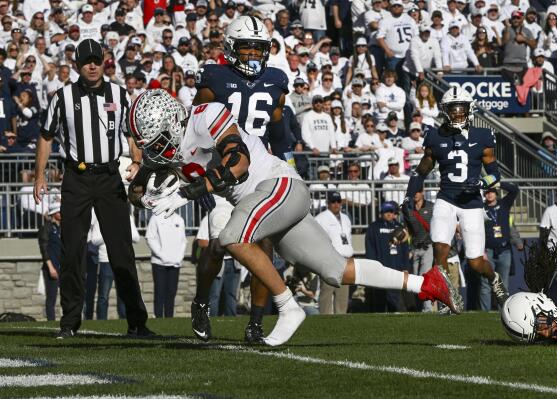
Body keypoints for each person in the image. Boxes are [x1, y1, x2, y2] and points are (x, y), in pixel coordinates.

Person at [128, 89, 460, 346]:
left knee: (230, 237)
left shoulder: (205, 116)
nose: (155, 150)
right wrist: (147, 197)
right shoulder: (165, 153)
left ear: (172, 120)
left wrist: (194, 188)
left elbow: (238, 163)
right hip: (273, 203)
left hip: (278, 185)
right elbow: (137, 188)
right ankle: (427, 283)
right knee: (335, 270)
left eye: (157, 140)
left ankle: (288, 306)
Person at [33, 39, 151, 339]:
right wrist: (39, 175)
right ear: (77, 65)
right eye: (86, 61)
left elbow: (131, 133)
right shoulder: (62, 97)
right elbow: (46, 136)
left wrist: (136, 161)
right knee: (72, 251)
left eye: (97, 60)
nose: (92, 65)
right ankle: (70, 323)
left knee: (121, 250)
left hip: (110, 177)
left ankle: (137, 322)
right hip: (77, 178)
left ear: (104, 61)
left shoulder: (119, 94)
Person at [191, 16, 298, 344]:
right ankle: (201, 303)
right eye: (246, 47)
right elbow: (196, 129)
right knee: (217, 247)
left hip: (259, 176)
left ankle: (255, 323)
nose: (252, 54)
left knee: (265, 250)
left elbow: (279, 134)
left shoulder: (276, 80)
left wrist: (288, 169)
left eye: (258, 48)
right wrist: (201, 179)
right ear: (231, 48)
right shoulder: (214, 78)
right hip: (223, 176)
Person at [404, 86, 509, 312]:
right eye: (453, 109)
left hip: (472, 202)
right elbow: (421, 171)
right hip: (446, 198)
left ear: (469, 109)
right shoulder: (435, 136)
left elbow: (495, 174)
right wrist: (409, 195)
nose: (457, 113)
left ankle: (494, 278)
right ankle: (445, 298)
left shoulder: (482, 136)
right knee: (439, 250)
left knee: (475, 262)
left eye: (461, 108)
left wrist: (482, 183)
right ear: (445, 111)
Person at [365, 201, 414, 312]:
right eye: (386, 211)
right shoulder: (374, 227)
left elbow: (405, 249)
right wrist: (372, 266)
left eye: (391, 212)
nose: (389, 214)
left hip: (396, 267)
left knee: (395, 297)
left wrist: (405, 267)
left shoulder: (400, 228)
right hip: (380, 267)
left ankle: (394, 317)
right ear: (382, 212)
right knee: (379, 296)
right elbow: (370, 248)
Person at [481, 182, 519, 311]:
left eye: (492, 191)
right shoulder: (481, 208)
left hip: (504, 250)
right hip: (488, 251)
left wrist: (499, 183)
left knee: (503, 284)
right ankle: (484, 314)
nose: (489, 194)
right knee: (485, 284)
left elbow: (514, 190)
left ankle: (503, 311)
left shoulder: (504, 204)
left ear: (496, 193)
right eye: (487, 192)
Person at [314, 192, 352, 314]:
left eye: (338, 201)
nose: (336, 204)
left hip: (345, 259)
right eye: (333, 202)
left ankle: (341, 318)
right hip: (329, 259)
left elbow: (348, 239)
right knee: (327, 291)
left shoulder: (346, 218)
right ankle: (324, 318)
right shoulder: (320, 218)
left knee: (343, 294)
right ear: (328, 203)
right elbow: (317, 240)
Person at [146, 212, 187, 318]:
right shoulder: (155, 218)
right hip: (159, 263)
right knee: (160, 291)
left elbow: (183, 241)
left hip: (175, 263)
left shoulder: (179, 219)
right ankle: (158, 318)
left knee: (171, 292)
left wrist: (179, 257)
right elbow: (149, 238)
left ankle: (169, 318)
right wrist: (161, 255)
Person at [402, 188, 434, 311]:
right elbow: (407, 230)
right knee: (415, 279)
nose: (416, 193)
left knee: (424, 277)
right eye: (414, 192)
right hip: (415, 248)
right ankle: (420, 307)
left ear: (423, 192)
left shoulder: (431, 207)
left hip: (428, 246)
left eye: (418, 191)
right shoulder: (408, 209)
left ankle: (427, 309)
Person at [37, 200, 61, 321]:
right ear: (53, 213)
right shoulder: (46, 228)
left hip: (63, 267)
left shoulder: (62, 227)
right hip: (52, 268)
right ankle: (51, 321)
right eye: (59, 211)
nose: (61, 213)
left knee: (68, 296)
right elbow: (44, 249)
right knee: (51, 298)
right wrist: (51, 267)